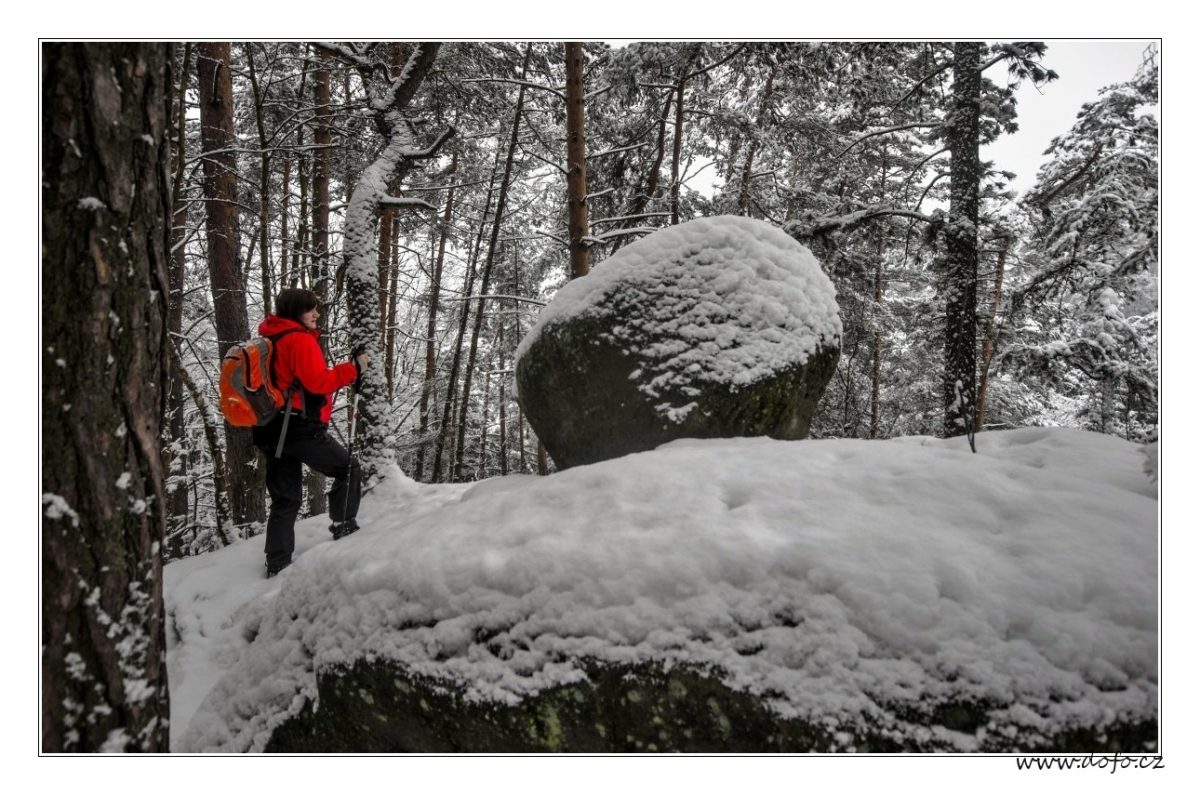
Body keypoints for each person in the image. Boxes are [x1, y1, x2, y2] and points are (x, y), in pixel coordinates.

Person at [252, 288, 369, 578]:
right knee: (349, 468)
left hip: (270, 428)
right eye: (310, 310)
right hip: (299, 429)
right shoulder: (299, 340)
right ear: (295, 312)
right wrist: (353, 369)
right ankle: (344, 527)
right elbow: (318, 382)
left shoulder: (271, 336)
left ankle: (277, 563)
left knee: (286, 498)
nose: (316, 314)